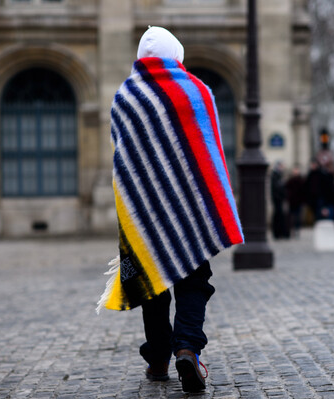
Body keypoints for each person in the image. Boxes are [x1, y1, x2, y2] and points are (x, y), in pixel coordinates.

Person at [96, 26, 244, 393]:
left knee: (152, 284)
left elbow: (123, 155)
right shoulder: (197, 91)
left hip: (142, 210)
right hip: (190, 209)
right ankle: (187, 348)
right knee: (194, 280)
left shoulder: (124, 97)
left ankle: (158, 358)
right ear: (176, 55)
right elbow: (208, 151)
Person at [285, 165, 305, 237]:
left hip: (298, 201)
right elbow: (286, 189)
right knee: (292, 217)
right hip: (292, 201)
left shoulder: (301, 180)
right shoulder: (290, 180)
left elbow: (303, 191)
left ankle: (297, 230)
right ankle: (292, 230)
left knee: (298, 217)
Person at [270, 161, 289, 239]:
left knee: (280, 215)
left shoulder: (278, 175)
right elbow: (277, 188)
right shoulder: (275, 175)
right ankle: (278, 233)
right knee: (278, 215)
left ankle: (281, 233)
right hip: (277, 199)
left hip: (279, 199)